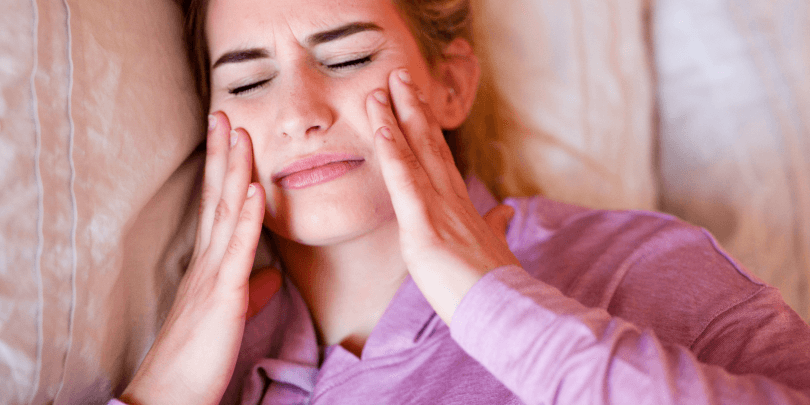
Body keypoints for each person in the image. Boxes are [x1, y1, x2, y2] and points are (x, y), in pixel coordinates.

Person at [112, 0, 810, 403]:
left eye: (347, 58)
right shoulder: (218, 367)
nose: (298, 112)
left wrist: (490, 301)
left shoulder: (635, 264)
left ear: (449, 84)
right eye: (248, 80)